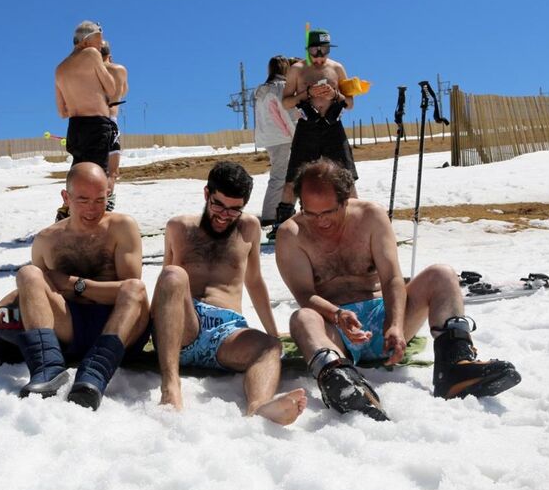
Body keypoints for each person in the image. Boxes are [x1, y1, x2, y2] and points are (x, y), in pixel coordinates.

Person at [276, 159, 521, 421]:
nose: (320, 221)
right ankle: (342, 382)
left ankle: (455, 368)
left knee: (442, 274)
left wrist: (394, 324)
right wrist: (337, 314)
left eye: (328, 212)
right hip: (334, 329)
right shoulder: (291, 234)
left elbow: (392, 277)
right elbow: (304, 295)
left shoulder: (370, 216)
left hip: (384, 317)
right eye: (310, 213)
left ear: (345, 200)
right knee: (302, 318)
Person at [0, 162, 150, 410]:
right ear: (66, 197)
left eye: (100, 200)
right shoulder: (47, 240)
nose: (92, 209)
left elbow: (128, 293)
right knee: (29, 274)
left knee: (135, 289)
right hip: (71, 325)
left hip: (120, 327)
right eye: (83, 200)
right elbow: (34, 292)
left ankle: (94, 375)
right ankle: (47, 369)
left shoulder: (121, 227)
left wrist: (75, 284)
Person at [151, 162, 307, 426]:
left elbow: (254, 282)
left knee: (269, 347)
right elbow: (166, 288)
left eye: (235, 209)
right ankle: (170, 387)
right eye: (219, 205)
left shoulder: (249, 228)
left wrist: (272, 332)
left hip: (227, 332)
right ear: (206, 194)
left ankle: (258, 407)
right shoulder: (178, 227)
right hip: (185, 325)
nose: (225, 215)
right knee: (173, 274)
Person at [268, 29, 358, 241]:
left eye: (324, 51)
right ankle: (282, 223)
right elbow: (286, 102)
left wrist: (334, 94)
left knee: (347, 175)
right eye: (315, 51)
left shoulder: (337, 68)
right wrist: (307, 94)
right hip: (307, 128)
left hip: (333, 127)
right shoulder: (297, 70)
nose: (319, 56)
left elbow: (350, 103)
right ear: (308, 50)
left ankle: (357, 220)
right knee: (294, 177)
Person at [53, 21, 119, 221]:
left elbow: (62, 112)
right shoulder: (91, 54)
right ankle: (98, 223)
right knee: (97, 176)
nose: (100, 46)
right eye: (98, 41)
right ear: (87, 40)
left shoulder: (60, 68)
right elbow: (111, 88)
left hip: (75, 127)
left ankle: (67, 215)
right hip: (96, 124)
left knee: (78, 176)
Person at [254, 55, 297, 225]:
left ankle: (276, 211)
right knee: (280, 177)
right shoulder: (280, 88)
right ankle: (270, 215)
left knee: (280, 175)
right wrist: (296, 134)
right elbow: (287, 113)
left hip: (269, 138)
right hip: (282, 136)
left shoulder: (263, 89)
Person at [100, 39, 128, 212]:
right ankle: (106, 202)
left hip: (86, 121)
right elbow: (123, 91)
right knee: (112, 171)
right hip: (110, 121)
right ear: (109, 55)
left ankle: (69, 207)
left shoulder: (84, 71)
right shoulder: (118, 70)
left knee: (83, 169)